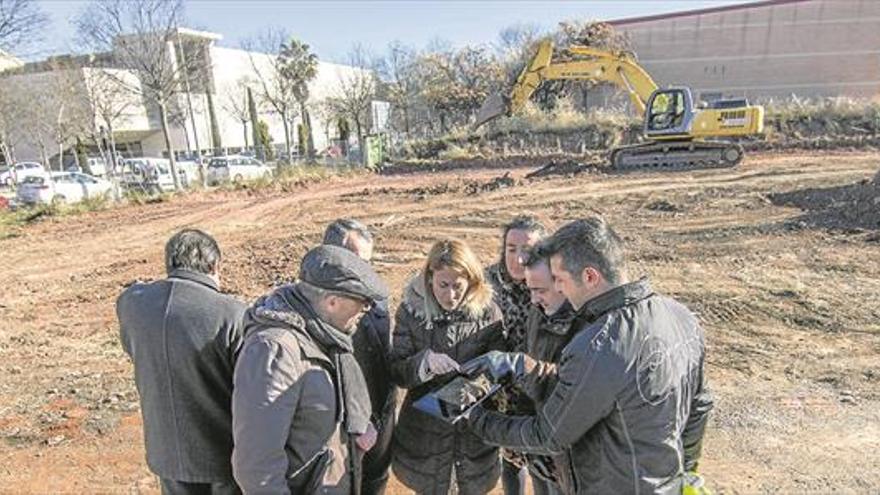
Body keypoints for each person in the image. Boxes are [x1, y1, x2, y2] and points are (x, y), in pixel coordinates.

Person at [463, 217, 714, 494]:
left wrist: (474, 418)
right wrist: (522, 366)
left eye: (559, 279)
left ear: (590, 277)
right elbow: (699, 405)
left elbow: (547, 435)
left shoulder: (599, 343)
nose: (557, 288)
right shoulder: (680, 316)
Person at [231, 245, 389, 494]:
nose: (365, 311)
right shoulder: (275, 351)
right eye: (362, 303)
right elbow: (256, 467)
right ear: (332, 302)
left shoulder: (326, 334)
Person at [117, 229, 245, 495]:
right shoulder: (232, 315)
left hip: (165, 452)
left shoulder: (132, 305)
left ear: (169, 264)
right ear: (214, 265)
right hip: (222, 453)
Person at [389, 239, 503, 495]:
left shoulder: (488, 313)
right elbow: (397, 371)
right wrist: (424, 363)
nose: (450, 295)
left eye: (458, 286)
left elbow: (499, 368)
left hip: (473, 436)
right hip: (424, 437)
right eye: (443, 285)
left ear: (472, 282)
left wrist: (473, 387)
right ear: (430, 277)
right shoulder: (412, 312)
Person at [323, 219, 395, 495]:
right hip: (343, 432)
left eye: (368, 262)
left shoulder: (377, 297)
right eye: (357, 261)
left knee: (376, 483)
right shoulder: (314, 306)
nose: (364, 270)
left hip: (381, 418)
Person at [484, 216, 546, 495]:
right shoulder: (485, 284)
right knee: (511, 461)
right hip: (499, 388)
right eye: (511, 249)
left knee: (545, 462)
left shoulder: (553, 284)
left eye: (528, 250)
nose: (519, 259)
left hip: (542, 385)